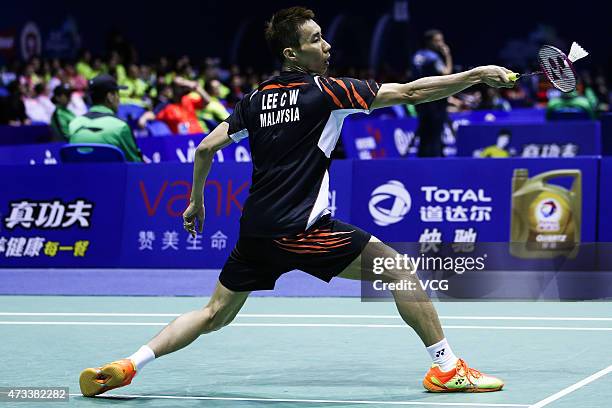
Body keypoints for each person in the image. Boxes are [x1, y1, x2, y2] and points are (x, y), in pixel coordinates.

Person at [79, 7, 514, 397]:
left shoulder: (253, 100)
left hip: (256, 232)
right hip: (303, 230)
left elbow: (204, 149)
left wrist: (196, 203)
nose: (326, 46)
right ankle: (446, 367)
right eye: (315, 40)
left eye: (323, 37)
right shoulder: (328, 92)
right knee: (399, 269)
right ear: (291, 54)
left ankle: (129, 364)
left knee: (214, 313)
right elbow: (413, 93)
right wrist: (475, 74)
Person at [69, 74, 143, 162]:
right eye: (117, 94)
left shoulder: (73, 124)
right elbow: (136, 164)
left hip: (80, 175)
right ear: (110, 97)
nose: (119, 99)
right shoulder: (120, 126)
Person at [412, 29, 453, 157]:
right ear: (428, 42)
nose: (441, 44)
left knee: (424, 134)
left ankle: (423, 160)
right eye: (437, 41)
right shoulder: (433, 57)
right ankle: (435, 162)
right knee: (435, 135)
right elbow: (446, 73)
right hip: (435, 102)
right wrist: (447, 55)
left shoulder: (417, 55)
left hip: (420, 99)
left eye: (441, 40)